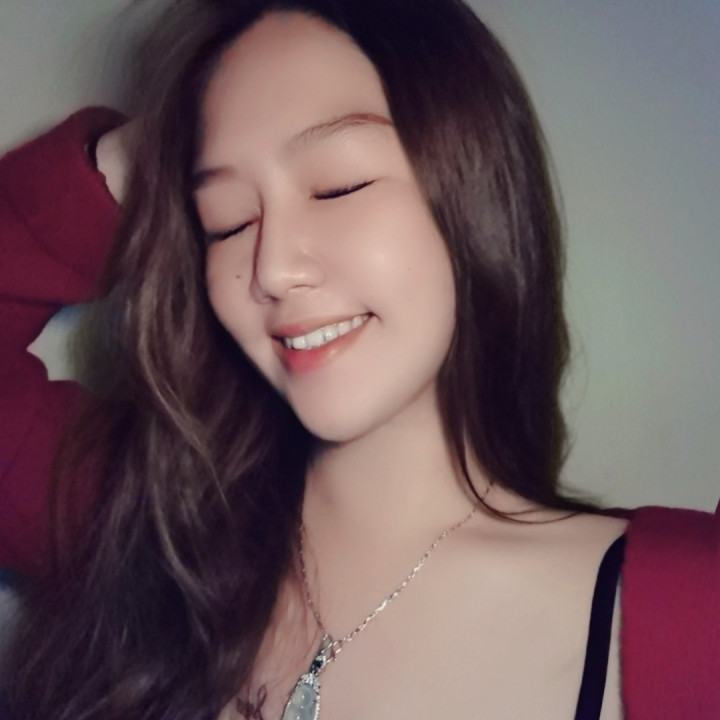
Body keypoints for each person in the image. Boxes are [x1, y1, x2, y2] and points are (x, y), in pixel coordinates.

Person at [0, 1, 717, 719]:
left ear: (472, 188)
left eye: (336, 187)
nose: (273, 268)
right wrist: (155, 154)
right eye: (227, 221)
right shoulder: (145, 527)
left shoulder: (688, 616)